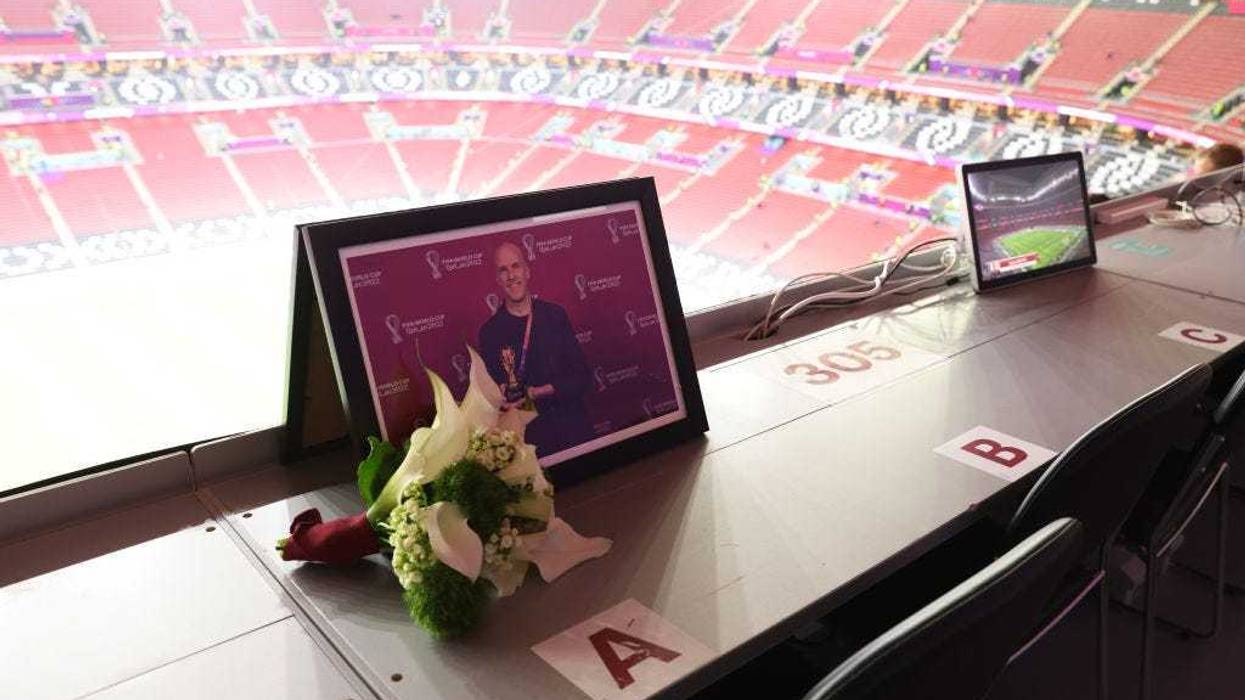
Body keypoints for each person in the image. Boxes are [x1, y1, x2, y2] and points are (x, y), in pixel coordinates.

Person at [478, 241, 593, 457]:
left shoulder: (555, 315)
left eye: (515, 266)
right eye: (503, 270)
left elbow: (583, 378)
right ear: (497, 279)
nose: (511, 275)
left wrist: (538, 392)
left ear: (527, 271)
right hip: (530, 445)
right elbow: (489, 398)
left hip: (573, 430)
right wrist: (499, 397)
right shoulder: (490, 333)